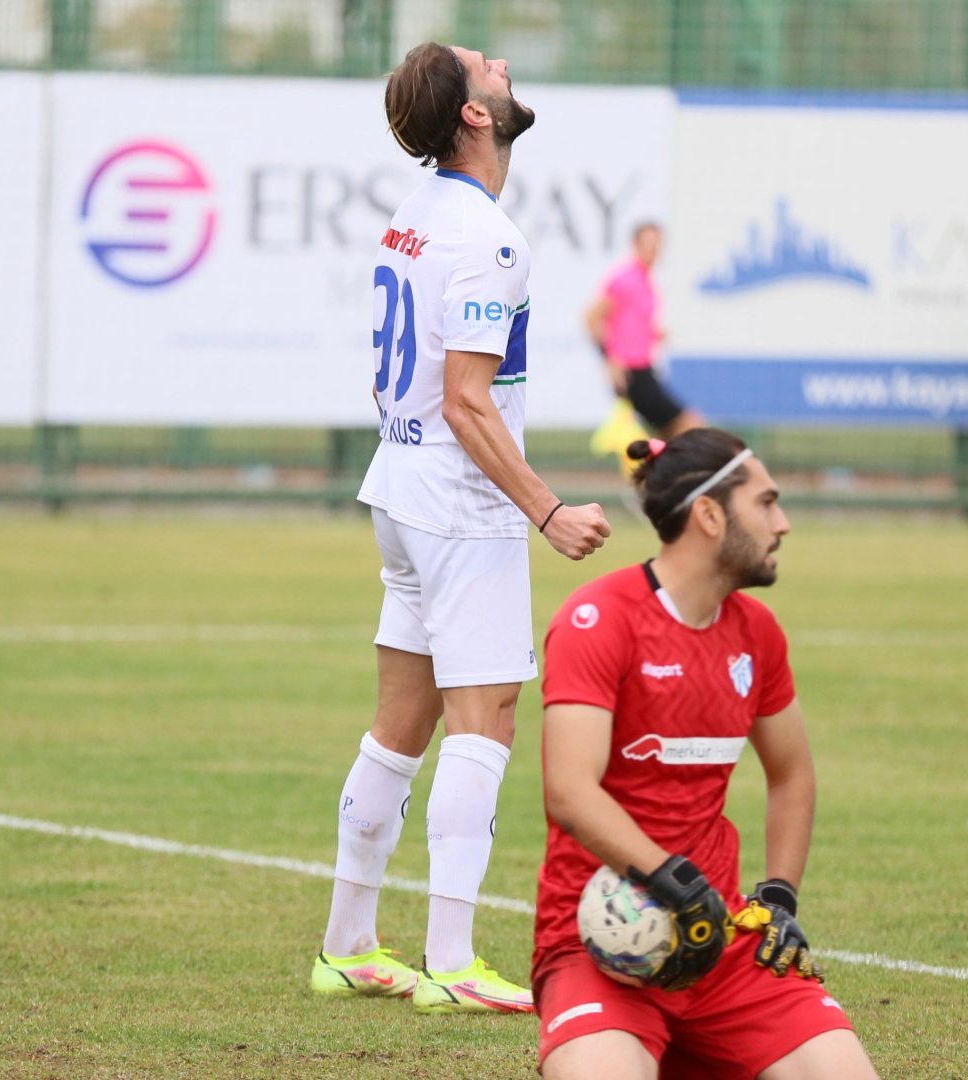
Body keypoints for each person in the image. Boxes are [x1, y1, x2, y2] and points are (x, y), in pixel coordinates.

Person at [311, 41, 611, 1015]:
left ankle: (348, 945)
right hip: (459, 509)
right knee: (487, 720)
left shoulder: (415, 214)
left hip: (399, 491)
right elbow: (469, 400)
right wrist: (548, 509)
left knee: (403, 722)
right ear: (474, 115)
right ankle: (452, 962)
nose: (502, 60)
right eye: (484, 65)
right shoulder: (489, 237)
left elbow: (394, 378)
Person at [533, 428, 879, 1080]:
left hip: (721, 941)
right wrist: (676, 884)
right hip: (601, 947)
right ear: (710, 515)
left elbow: (791, 773)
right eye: (767, 503)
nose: (784, 523)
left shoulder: (758, 632)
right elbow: (570, 791)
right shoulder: (598, 618)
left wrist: (778, 898)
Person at [586, 224, 705, 440]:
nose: (654, 250)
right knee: (691, 425)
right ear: (636, 245)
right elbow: (591, 318)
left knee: (667, 434)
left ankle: (664, 473)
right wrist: (609, 359)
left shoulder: (646, 280)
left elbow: (631, 322)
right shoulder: (625, 279)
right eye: (649, 244)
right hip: (631, 373)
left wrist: (654, 334)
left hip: (645, 368)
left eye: (658, 245)